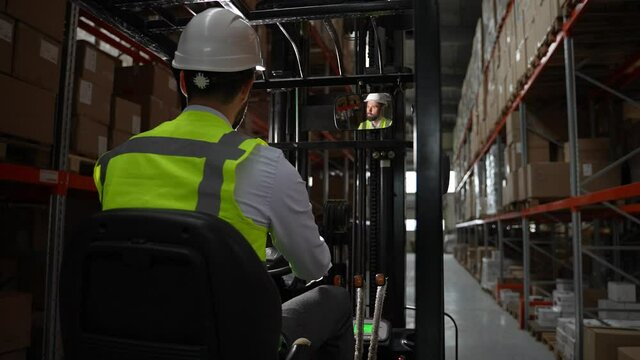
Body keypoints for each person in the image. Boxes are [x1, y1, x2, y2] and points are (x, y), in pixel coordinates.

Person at [93, 8, 353, 360]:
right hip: (223, 346)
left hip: (125, 340)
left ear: (183, 81)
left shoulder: (111, 163)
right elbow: (312, 267)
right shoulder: (263, 165)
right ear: (246, 88)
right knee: (335, 300)